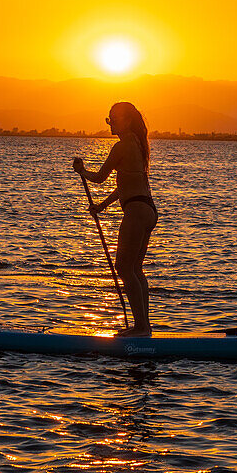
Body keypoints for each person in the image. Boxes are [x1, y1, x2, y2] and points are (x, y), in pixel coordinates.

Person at [73, 101, 158, 337]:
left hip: (137, 211)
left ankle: (141, 327)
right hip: (148, 210)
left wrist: (82, 172)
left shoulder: (121, 147)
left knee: (123, 267)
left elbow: (100, 178)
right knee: (135, 269)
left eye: (114, 118)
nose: (111, 123)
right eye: (108, 118)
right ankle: (144, 326)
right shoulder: (139, 145)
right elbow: (125, 187)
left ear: (128, 121)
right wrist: (101, 206)